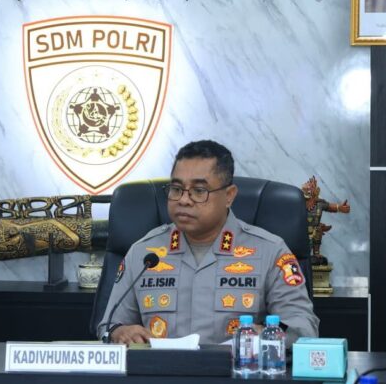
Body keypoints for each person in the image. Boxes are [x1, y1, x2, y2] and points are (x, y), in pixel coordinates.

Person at [97, 140, 318, 345]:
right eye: (176, 189)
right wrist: (119, 332)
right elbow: (110, 325)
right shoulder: (144, 253)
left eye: (199, 191)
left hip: (237, 369)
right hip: (160, 369)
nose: (184, 200)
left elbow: (303, 327)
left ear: (229, 196)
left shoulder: (270, 251)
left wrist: (266, 334)